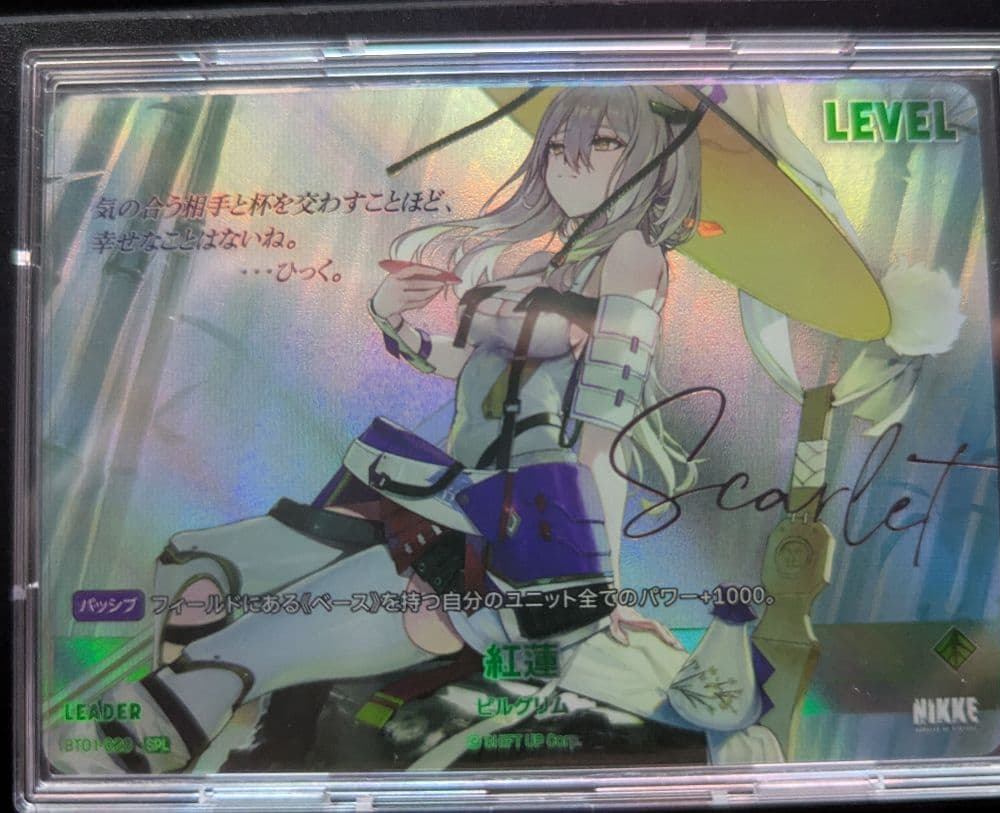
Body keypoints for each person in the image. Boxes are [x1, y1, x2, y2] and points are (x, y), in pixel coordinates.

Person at [52, 86, 773, 774]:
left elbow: (603, 431)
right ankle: (176, 745)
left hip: (519, 530)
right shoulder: (544, 260)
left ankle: (120, 751)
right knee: (207, 569)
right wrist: (392, 318)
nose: (571, 164)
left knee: (249, 647)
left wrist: (596, 583)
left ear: (655, 160)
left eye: (603, 144)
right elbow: (472, 370)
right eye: (559, 146)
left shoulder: (635, 261)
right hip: (440, 494)